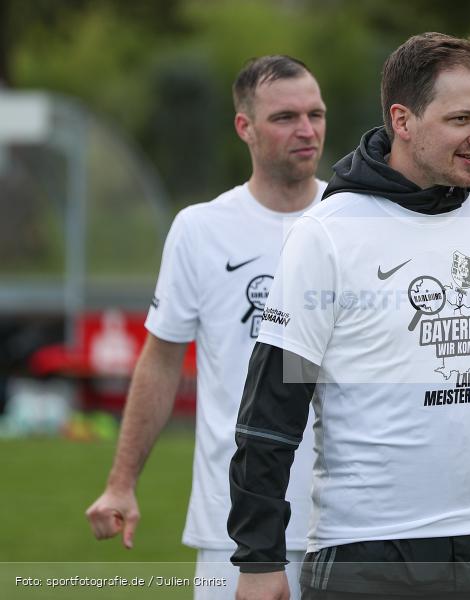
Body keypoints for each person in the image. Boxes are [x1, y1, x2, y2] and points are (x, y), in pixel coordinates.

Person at [228, 32, 470, 600]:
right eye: (460, 119)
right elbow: (269, 416)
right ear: (403, 120)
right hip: (365, 554)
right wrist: (259, 559)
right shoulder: (326, 233)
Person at [86, 55, 328, 600]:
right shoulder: (200, 229)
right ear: (245, 127)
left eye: (315, 114)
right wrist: (121, 483)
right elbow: (161, 361)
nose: (307, 129)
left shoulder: (353, 221)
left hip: (345, 520)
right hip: (233, 526)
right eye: (285, 117)